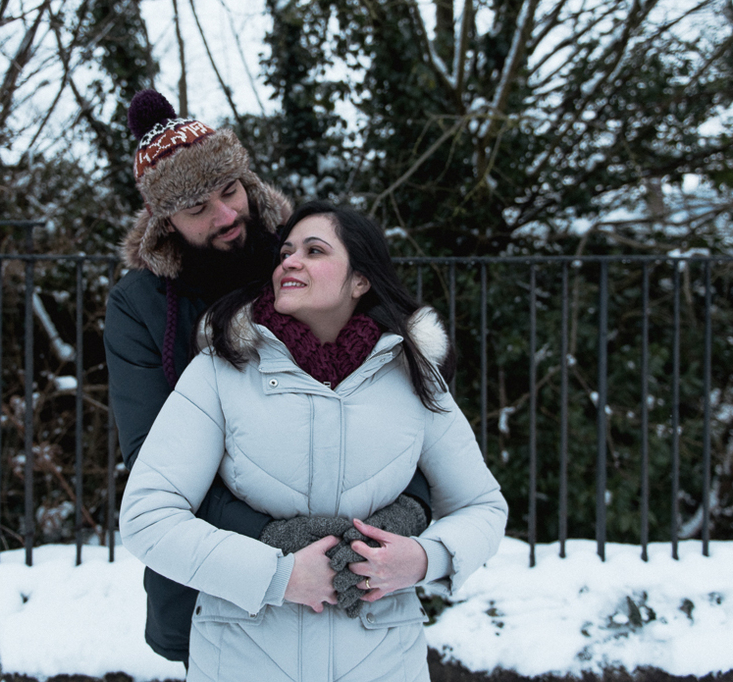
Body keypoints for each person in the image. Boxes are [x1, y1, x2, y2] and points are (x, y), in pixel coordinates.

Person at [104, 92, 431, 665]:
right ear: (165, 222)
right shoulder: (142, 306)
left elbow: (403, 398)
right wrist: (282, 542)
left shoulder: (306, 262)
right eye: (197, 208)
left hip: (356, 577)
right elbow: (153, 460)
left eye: (230, 191)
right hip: (220, 585)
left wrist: (400, 519)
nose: (226, 216)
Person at [120, 200, 508, 682]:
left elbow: (483, 506)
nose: (290, 261)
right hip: (244, 659)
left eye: (314, 250)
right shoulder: (220, 372)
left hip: (383, 660)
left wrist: (424, 559)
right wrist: (276, 575)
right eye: (286, 251)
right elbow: (147, 516)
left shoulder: (412, 376)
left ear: (360, 280)